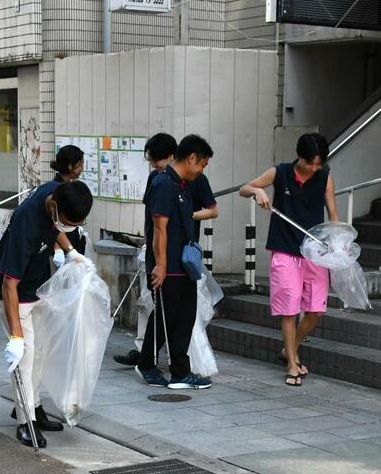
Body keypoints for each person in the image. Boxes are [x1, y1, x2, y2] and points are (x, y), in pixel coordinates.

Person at [0, 180, 93, 448]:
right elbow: (8, 283)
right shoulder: (26, 223)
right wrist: (15, 336)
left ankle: (32, 407)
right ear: (54, 207)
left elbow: (57, 227)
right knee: (25, 355)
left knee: (43, 351)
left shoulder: (55, 192)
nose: (69, 227)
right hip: (15, 291)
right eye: (68, 221)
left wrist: (70, 252)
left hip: (38, 285)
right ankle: (26, 421)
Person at [238, 132, 339, 387]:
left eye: (318, 164)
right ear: (299, 157)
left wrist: (337, 244)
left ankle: (289, 349)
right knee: (289, 309)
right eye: (310, 163)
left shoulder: (325, 177)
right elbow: (244, 188)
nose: (314, 168)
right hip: (284, 249)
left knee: (316, 310)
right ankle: (292, 364)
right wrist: (258, 191)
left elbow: (333, 214)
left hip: (314, 251)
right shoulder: (280, 172)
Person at [114, 133, 218, 367]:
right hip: (165, 260)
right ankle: (147, 359)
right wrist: (159, 263)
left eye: (157, 160)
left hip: (184, 260)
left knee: (181, 315)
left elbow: (212, 209)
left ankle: (176, 365)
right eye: (152, 161)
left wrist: (187, 216)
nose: (155, 166)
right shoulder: (161, 182)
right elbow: (158, 226)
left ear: (173, 157)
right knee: (160, 313)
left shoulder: (188, 182)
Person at [49, 144, 89, 266]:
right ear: (70, 166)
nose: (82, 168)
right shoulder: (55, 192)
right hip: (62, 249)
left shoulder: (68, 187)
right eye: (80, 164)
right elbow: (52, 223)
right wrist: (58, 249)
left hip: (70, 245)